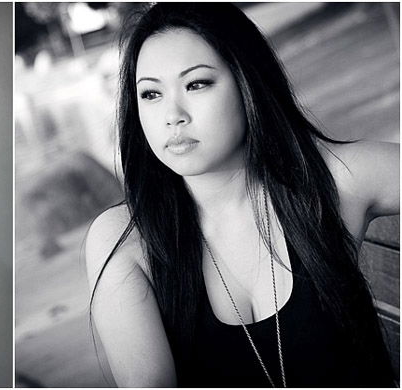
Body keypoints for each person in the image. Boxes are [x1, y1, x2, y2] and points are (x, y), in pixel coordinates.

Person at [85, 3, 399, 387]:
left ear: (246, 81)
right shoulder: (124, 241)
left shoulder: (335, 182)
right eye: (150, 94)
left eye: (196, 84)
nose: (172, 114)